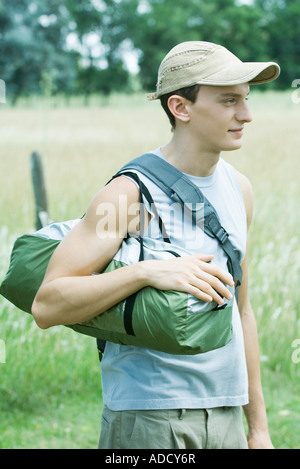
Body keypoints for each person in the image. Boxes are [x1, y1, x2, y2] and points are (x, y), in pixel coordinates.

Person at [32, 41, 280, 449]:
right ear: (180, 108)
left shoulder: (240, 189)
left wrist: (259, 429)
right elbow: (48, 304)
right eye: (229, 101)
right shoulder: (129, 193)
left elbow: (243, 309)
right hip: (150, 419)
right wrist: (146, 271)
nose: (246, 115)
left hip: (226, 416)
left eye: (247, 100)